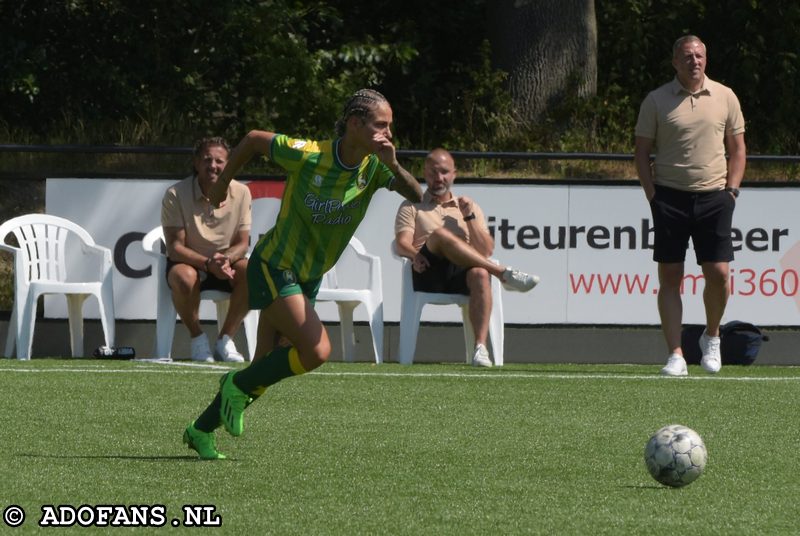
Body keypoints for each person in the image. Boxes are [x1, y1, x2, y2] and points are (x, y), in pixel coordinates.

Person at [182, 89, 424, 459]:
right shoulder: (309, 154)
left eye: (390, 127)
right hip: (274, 266)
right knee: (316, 351)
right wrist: (220, 186)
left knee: (264, 370)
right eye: (381, 125)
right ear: (355, 124)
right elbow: (251, 140)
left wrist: (392, 163)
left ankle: (200, 429)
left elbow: (417, 194)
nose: (388, 133)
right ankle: (234, 381)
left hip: (308, 277)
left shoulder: (375, 167)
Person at [634, 35, 746, 376]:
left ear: (706, 59)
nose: (694, 61)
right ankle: (676, 354)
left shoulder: (725, 96)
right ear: (675, 62)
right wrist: (653, 196)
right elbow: (641, 153)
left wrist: (732, 191)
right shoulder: (656, 100)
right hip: (669, 197)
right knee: (670, 276)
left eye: (699, 55)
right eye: (687, 56)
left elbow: (738, 150)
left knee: (719, 273)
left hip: (715, 197)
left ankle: (712, 338)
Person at [394, 148, 540, 367]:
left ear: (454, 174)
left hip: (461, 273)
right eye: (433, 172)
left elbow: (486, 250)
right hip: (427, 270)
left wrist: (469, 217)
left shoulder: (468, 207)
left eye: (444, 172)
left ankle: (480, 348)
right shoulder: (411, 205)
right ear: (425, 172)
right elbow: (401, 243)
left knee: (481, 273)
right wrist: (415, 255)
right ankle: (501, 273)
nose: (439, 178)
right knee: (442, 234)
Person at [161, 137, 252, 363]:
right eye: (207, 159)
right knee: (184, 277)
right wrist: (208, 263)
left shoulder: (241, 193)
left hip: (226, 263)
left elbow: (242, 243)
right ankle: (197, 338)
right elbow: (175, 247)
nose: (213, 165)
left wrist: (225, 260)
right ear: (195, 163)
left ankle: (225, 340)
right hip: (190, 262)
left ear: (229, 164)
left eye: (219, 161)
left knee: (255, 273)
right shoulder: (175, 194)